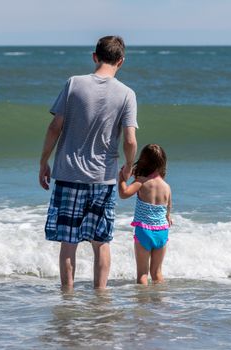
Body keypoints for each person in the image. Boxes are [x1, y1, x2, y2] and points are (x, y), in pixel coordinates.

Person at [39, 36, 138, 290]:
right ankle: (101, 295)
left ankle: (68, 296)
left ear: (95, 56)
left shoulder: (74, 84)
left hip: (69, 174)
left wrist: (43, 162)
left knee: (68, 242)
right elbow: (129, 139)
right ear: (121, 61)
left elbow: (54, 127)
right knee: (101, 241)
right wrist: (128, 165)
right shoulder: (127, 94)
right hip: (102, 178)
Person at [118, 144, 173, 285]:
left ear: (143, 161)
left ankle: (143, 305)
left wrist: (122, 179)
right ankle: (159, 302)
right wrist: (168, 216)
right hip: (162, 231)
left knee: (143, 273)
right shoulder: (166, 187)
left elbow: (124, 194)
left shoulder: (141, 182)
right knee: (157, 272)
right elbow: (168, 210)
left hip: (144, 231)